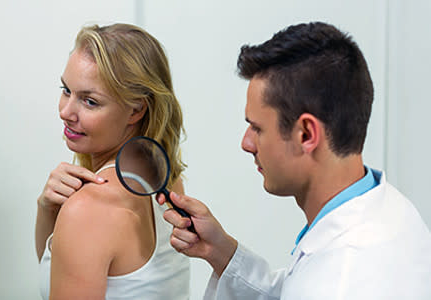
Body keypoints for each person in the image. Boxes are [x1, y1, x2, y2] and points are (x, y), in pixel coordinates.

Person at [157, 22, 431, 299]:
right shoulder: (391, 211)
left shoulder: (344, 279)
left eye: (257, 128)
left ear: (306, 133)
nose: (246, 143)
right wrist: (220, 251)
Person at [35, 23, 190, 299]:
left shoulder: (88, 209)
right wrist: (47, 210)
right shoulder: (162, 179)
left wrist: (72, 211)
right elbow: (58, 273)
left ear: (136, 109)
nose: (66, 111)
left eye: (90, 101)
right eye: (66, 90)